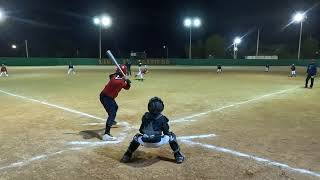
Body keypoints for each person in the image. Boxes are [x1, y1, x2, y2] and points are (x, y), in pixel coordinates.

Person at [121, 97, 185, 164]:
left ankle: (127, 156)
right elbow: (166, 132)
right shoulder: (162, 118)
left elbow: (141, 130)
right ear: (162, 108)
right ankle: (178, 156)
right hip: (158, 142)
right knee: (171, 135)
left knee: (137, 137)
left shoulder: (145, 116)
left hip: (144, 141)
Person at [100, 64, 131, 141]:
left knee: (115, 107)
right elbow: (115, 81)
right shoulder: (116, 79)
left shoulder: (118, 77)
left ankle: (111, 120)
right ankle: (106, 134)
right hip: (105, 97)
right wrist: (124, 79)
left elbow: (127, 88)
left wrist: (128, 82)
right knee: (112, 113)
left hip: (109, 98)